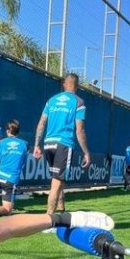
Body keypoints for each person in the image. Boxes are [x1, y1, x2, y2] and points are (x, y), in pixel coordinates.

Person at [33, 73, 90, 215]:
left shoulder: (51, 100)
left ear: (64, 84)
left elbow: (41, 124)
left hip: (48, 144)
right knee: (56, 183)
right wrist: (86, 152)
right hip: (63, 144)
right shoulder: (79, 102)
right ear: (77, 86)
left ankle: (62, 211)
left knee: (58, 179)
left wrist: (36, 145)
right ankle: (49, 220)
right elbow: (80, 130)